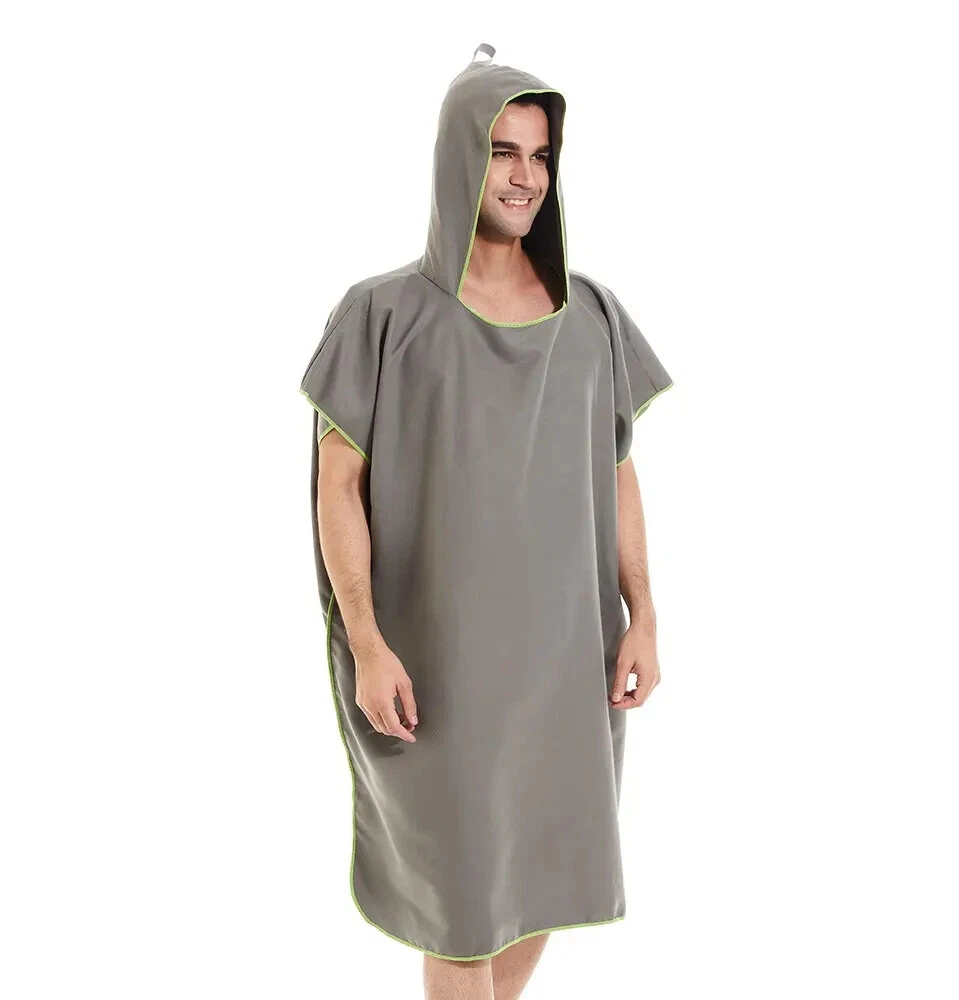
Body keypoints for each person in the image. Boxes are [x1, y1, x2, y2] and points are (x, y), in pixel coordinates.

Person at [298, 43, 675, 1000]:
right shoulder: (382, 315)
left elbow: (618, 470)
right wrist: (368, 641)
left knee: (545, 879)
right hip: (440, 672)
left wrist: (643, 616)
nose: (523, 177)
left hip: (565, 664)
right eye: (503, 151)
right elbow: (338, 487)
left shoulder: (590, 317)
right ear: (458, 158)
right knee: (463, 905)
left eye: (540, 156)